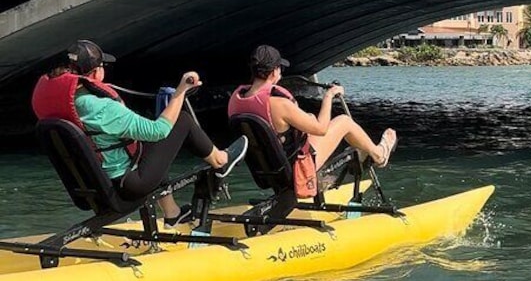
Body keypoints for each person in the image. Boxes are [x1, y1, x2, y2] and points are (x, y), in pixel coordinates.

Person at [31, 40, 248, 226]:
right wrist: (181, 92)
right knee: (180, 121)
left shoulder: (67, 103)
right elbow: (159, 131)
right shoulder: (101, 108)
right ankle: (220, 160)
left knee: (147, 148)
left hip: (92, 185)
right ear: (97, 71)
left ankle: (172, 214)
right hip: (127, 185)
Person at [227, 45, 398, 176]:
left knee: (308, 119)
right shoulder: (279, 104)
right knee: (344, 122)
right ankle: (379, 155)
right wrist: (329, 96)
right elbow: (321, 129)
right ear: (274, 72)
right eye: (280, 68)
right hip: (296, 170)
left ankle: (360, 151)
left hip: (267, 170)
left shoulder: (236, 100)